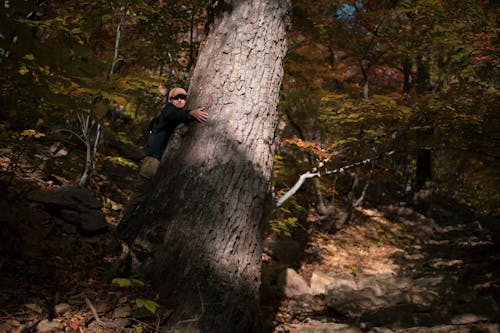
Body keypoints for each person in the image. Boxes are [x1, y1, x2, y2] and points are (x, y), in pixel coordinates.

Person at [121, 87, 208, 223]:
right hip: (152, 161)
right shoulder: (168, 110)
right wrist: (190, 113)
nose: (180, 100)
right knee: (140, 194)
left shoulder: (176, 113)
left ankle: (132, 223)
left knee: (151, 195)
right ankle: (124, 225)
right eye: (176, 98)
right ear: (170, 100)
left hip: (159, 161)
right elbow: (171, 116)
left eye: (183, 98)